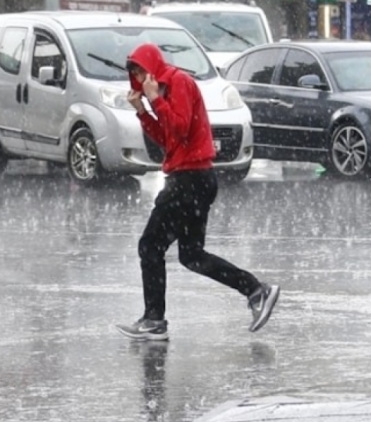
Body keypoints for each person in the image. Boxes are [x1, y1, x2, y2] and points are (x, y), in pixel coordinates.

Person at [115, 43, 280, 341]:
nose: (138, 77)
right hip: (193, 179)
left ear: (152, 66)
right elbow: (167, 139)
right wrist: (143, 111)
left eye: (140, 69)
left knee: (150, 246)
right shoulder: (162, 90)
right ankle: (256, 290)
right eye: (134, 73)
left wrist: (155, 100)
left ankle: (154, 320)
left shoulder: (178, 82)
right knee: (191, 255)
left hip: (189, 180)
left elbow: (179, 128)